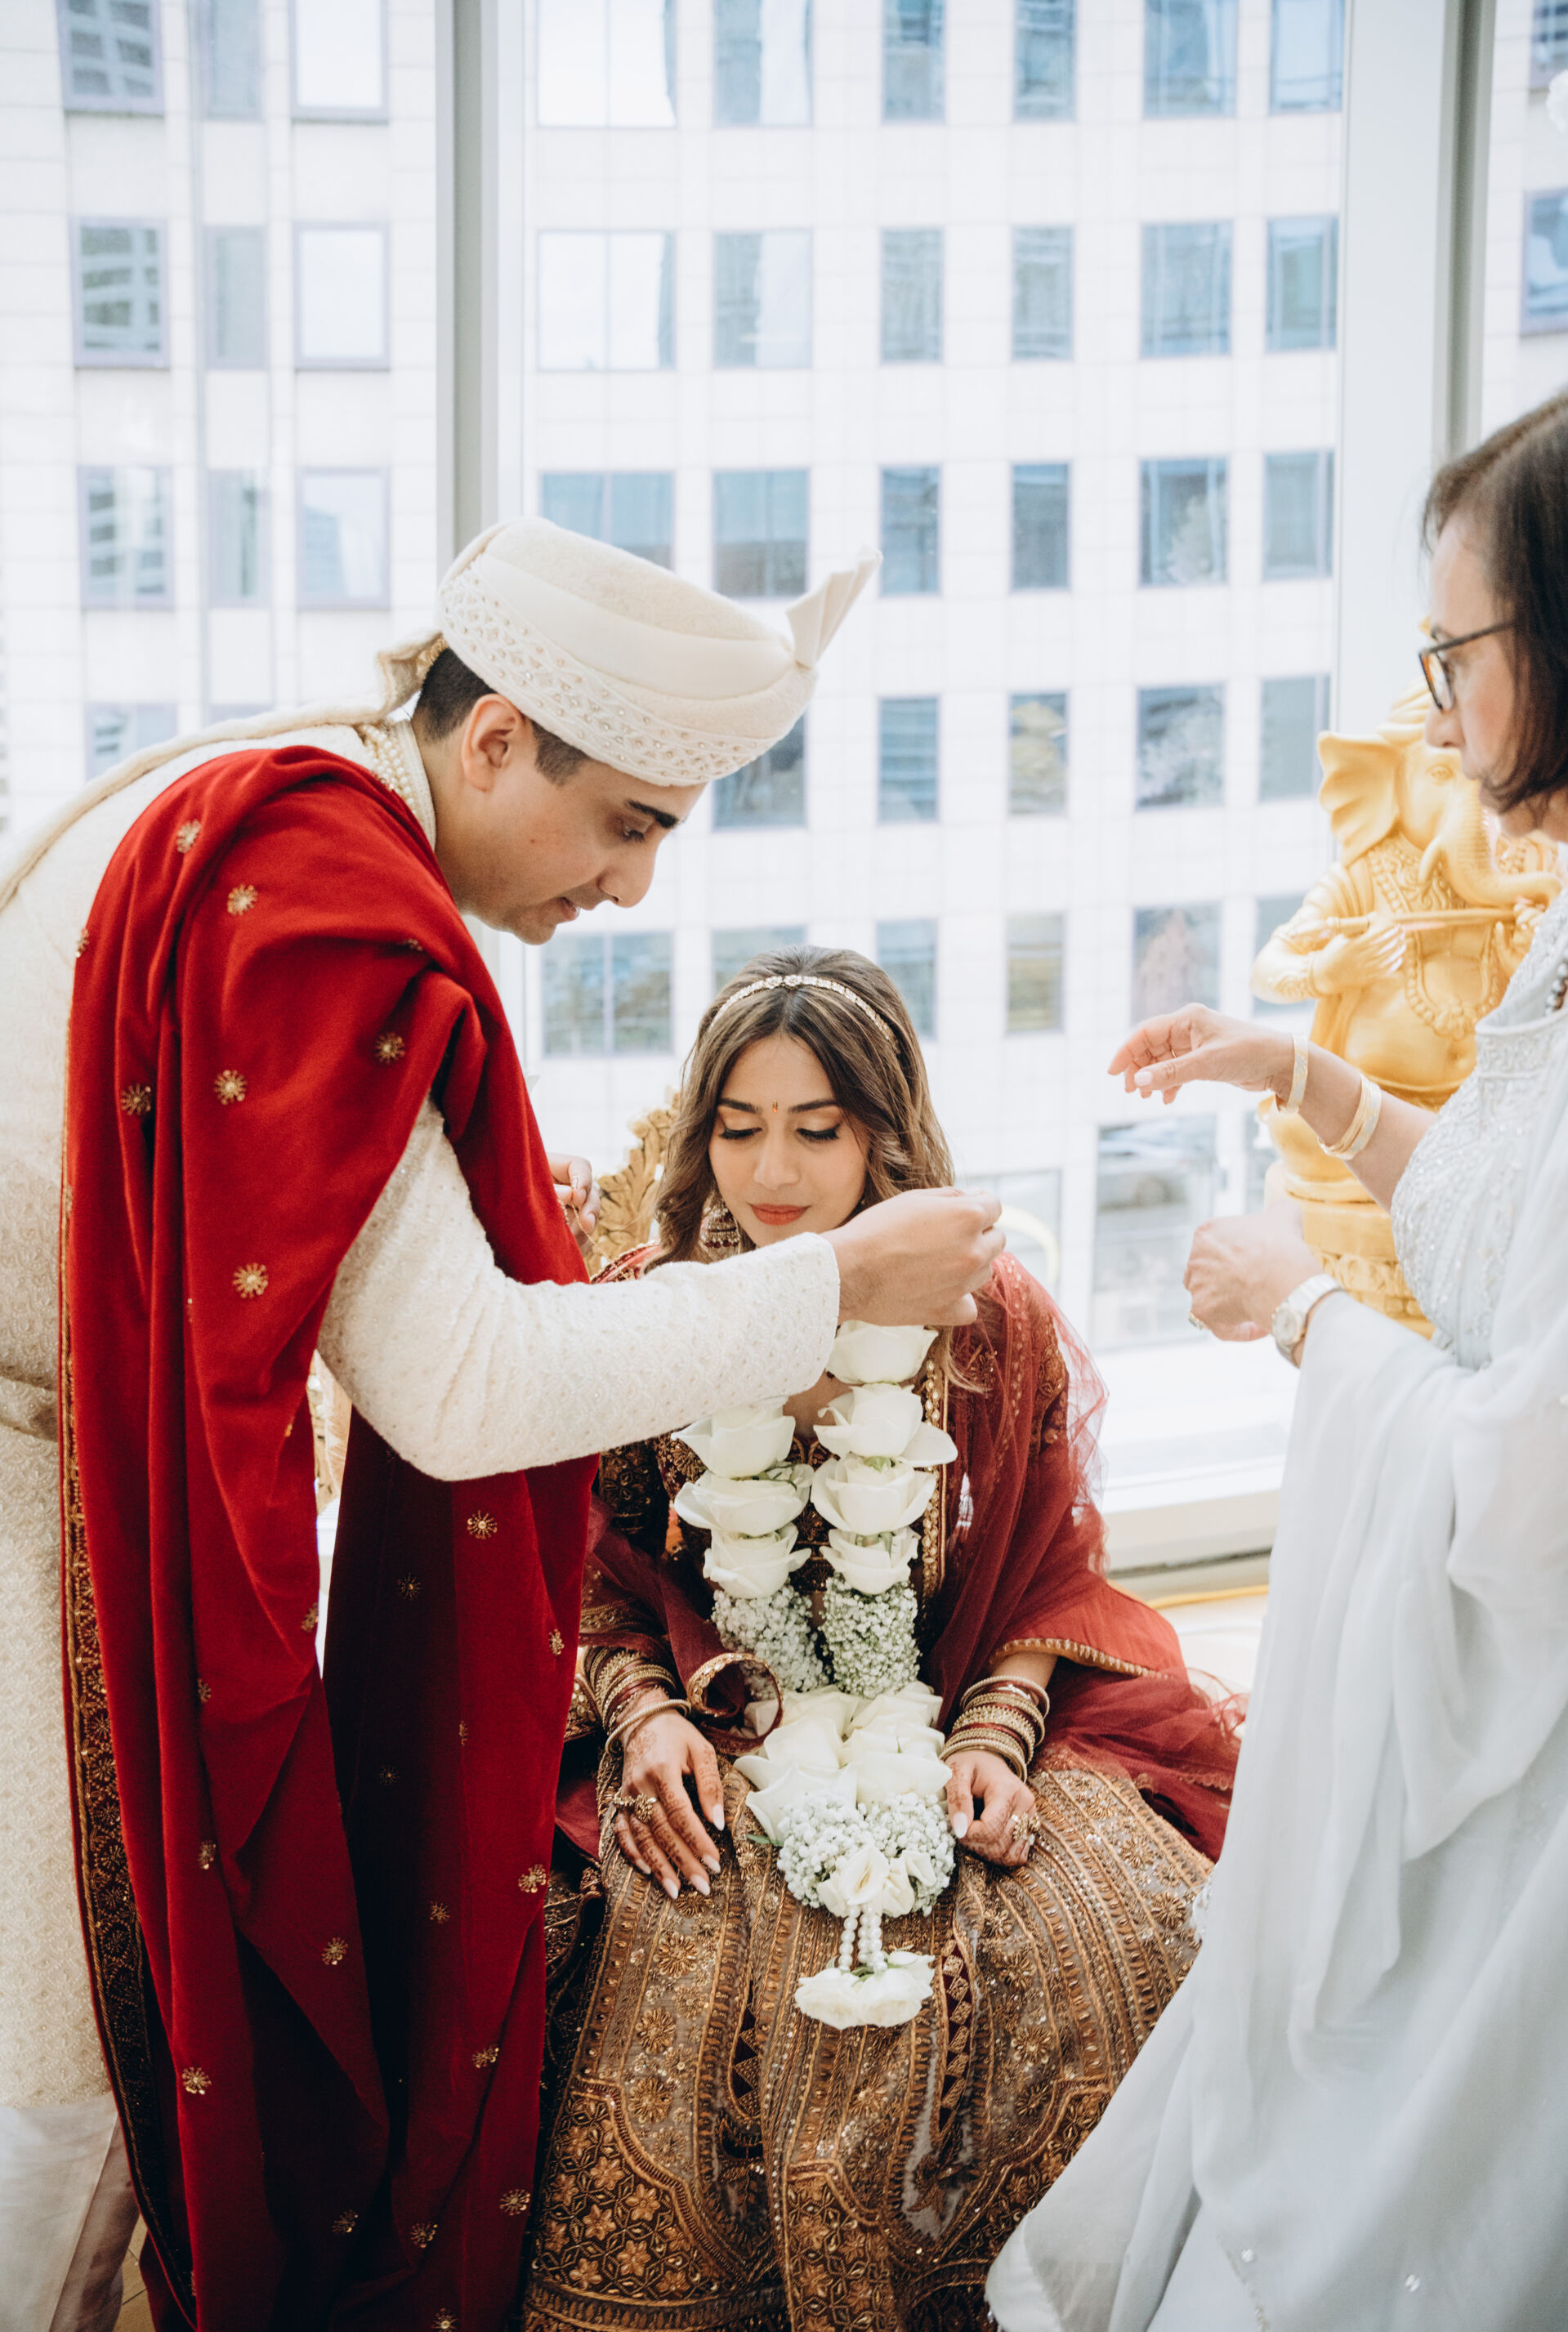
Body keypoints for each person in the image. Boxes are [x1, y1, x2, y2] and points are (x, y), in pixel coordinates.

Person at [0, 519, 1007, 2332]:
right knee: (72, 2108)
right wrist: (838, 1282)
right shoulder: (323, 898)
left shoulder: (274, 792)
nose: (631, 885)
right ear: (491, 740)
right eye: (627, 822)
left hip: (76, 1476)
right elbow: (462, 1390)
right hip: (41, 1529)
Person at [988, 393, 1568, 2332]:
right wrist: (1308, 1079)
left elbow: (1524, 1482)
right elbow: (1511, 1222)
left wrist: (1303, 1311)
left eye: (1455, 654)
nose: (1433, 711)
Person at [518, 949, 1240, 2332]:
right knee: (644, 1948)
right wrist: (645, 1717)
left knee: (1121, 1935)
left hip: (949, 1700)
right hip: (700, 1718)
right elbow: (583, 1570)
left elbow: (1044, 1563)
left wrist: (994, 1743)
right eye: (738, 1128)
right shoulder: (652, 1306)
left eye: (816, 1128)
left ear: (885, 1137)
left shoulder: (987, 1315)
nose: (771, 1171)